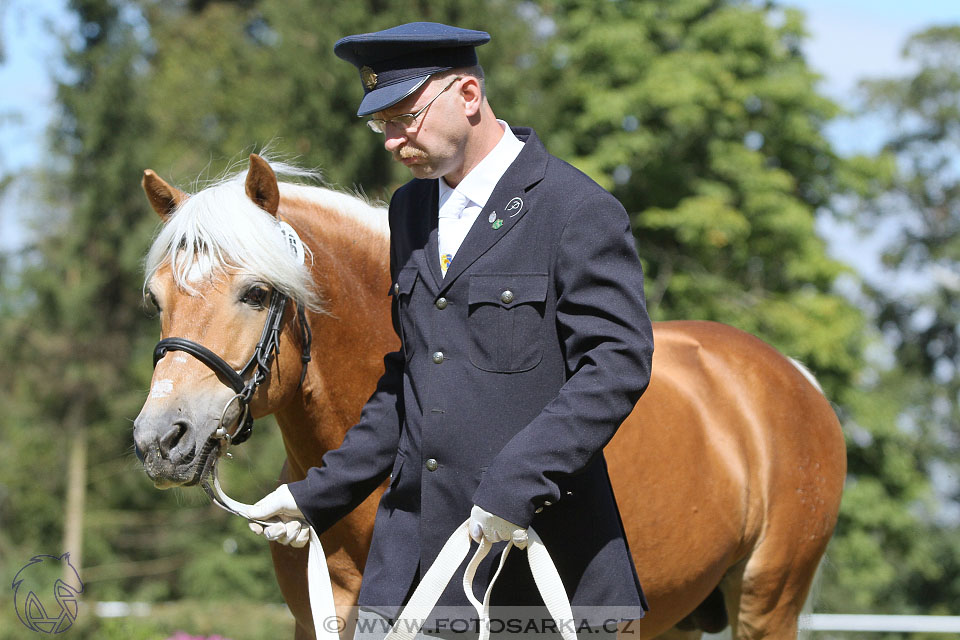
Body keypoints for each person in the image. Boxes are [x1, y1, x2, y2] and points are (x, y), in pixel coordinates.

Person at [248, 21, 655, 639]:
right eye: (380, 124)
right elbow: (411, 375)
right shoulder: (411, 208)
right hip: (409, 559)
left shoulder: (577, 210)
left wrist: (517, 482)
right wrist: (319, 493)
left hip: (535, 560)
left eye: (404, 117)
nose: (391, 141)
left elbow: (618, 364)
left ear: (467, 95)